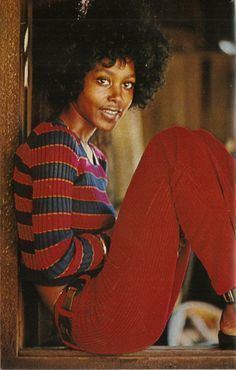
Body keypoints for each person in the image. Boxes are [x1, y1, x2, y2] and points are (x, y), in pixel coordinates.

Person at [13, 0, 235, 354]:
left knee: (202, 145)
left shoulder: (95, 157)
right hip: (88, 318)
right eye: (104, 80)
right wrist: (110, 242)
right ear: (73, 74)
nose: (118, 97)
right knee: (173, 145)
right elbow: (51, 261)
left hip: (124, 311)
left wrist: (112, 242)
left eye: (129, 85)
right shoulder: (54, 144)